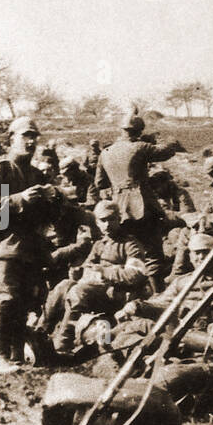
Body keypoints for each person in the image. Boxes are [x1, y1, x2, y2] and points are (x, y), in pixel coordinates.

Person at [0, 117, 54, 374]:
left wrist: (51, 199)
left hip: (28, 247)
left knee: (24, 302)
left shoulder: (36, 174)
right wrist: (19, 199)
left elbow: (44, 218)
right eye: (25, 136)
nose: (31, 142)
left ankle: (17, 357)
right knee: (7, 299)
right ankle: (1, 358)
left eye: (34, 137)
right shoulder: (0, 169)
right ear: (11, 139)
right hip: (2, 245)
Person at [48, 199, 156, 355]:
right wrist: (78, 271)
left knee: (79, 291)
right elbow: (88, 266)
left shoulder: (130, 244)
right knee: (65, 284)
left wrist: (105, 272)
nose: (107, 224)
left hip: (120, 295)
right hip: (100, 290)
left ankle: (64, 341)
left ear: (119, 219)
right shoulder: (100, 244)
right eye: (102, 220)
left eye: (111, 219)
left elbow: (135, 274)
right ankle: (42, 330)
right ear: (97, 223)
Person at [91, 112, 183, 253]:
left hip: (119, 207)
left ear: (122, 130)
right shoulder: (140, 147)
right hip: (143, 204)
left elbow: (100, 183)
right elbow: (166, 152)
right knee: (152, 247)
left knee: (128, 244)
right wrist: (168, 141)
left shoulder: (105, 152)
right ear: (139, 131)